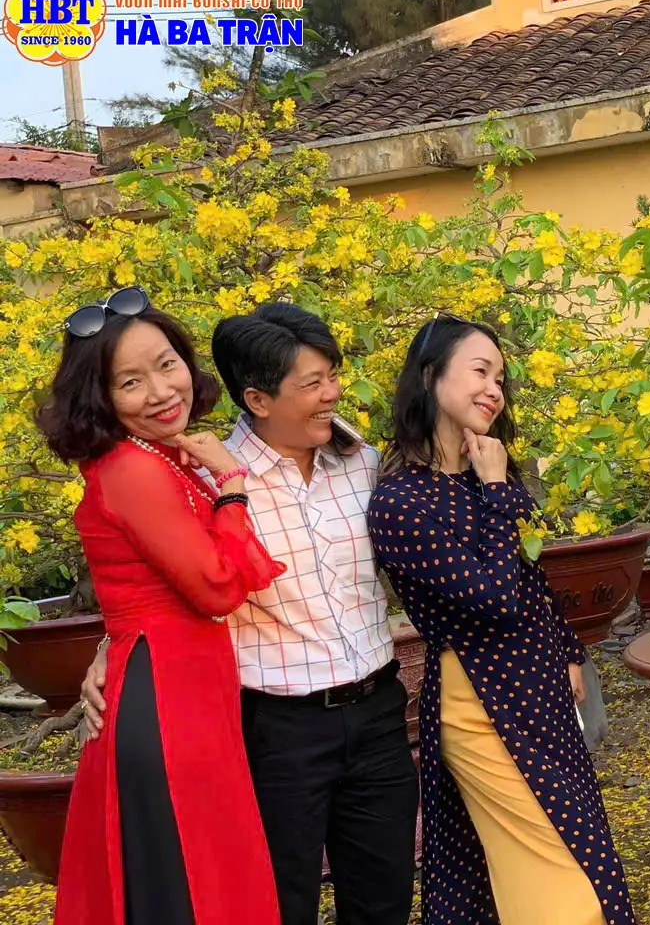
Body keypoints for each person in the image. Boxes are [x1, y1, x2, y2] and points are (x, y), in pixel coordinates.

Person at [80, 303, 419, 925]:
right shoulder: (205, 477)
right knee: (276, 904)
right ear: (259, 400)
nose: (331, 395)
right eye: (311, 384)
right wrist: (112, 648)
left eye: (332, 376)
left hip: (377, 714)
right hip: (277, 730)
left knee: (384, 900)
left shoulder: (366, 465)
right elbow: (163, 577)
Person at [368, 312, 635, 925]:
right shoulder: (400, 501)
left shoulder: (486, 474)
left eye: (501, 379)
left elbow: (531, 579)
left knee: (575, 857)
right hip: (482, 700)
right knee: (565, 889)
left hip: (541, 691)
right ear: (430, 376)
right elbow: (493, 598)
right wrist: (496, 490)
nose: (495, 390)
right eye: (481, 372)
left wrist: (569, 651)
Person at [40, 288, 281, 925]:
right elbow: (216, 588)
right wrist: (232, 486)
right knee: (185, 881)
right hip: (169, 695)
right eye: (130, 381)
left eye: (167, 364)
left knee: (191, 874)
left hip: (180, 682)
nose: (160, 390)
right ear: (101, 397)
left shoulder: (156, 456)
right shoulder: (132, 468)